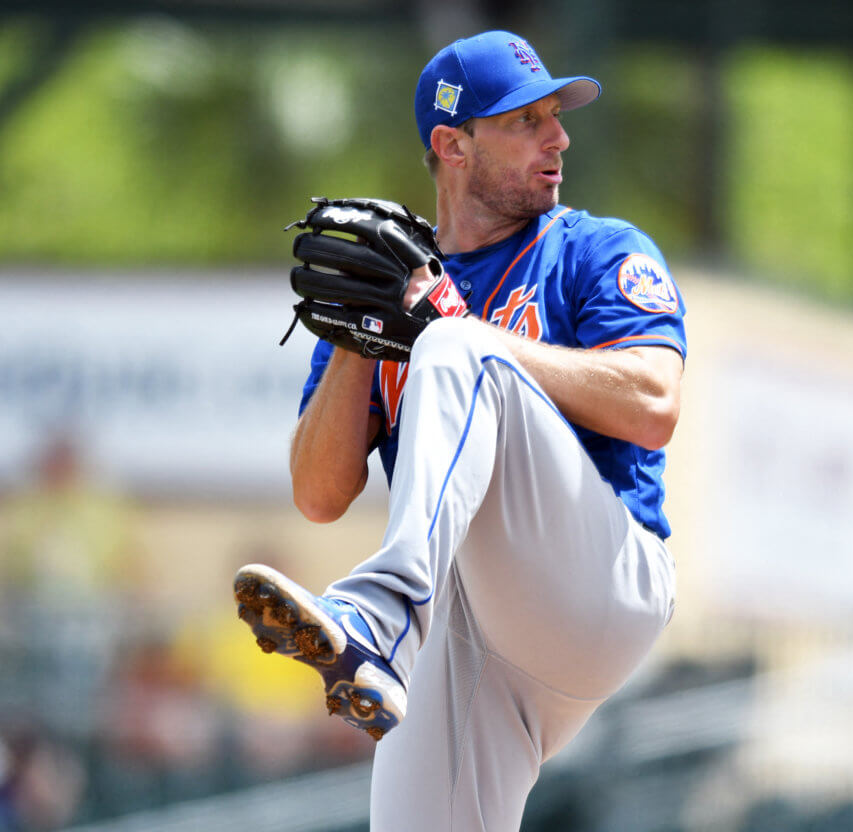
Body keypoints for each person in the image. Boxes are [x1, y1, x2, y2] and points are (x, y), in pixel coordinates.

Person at [234, 30, 686, 830]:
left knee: (455, 343)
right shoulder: (394, 286)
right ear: (453, 145)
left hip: (602, 581)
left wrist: (474, 338)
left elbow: (654, 402)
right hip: (472, 632)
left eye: (556, 115)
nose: (559, 137)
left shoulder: (591, 250)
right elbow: (318, 493)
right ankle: (386, 625)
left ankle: (378, 616)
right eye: (525, 120)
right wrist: (353, 339)